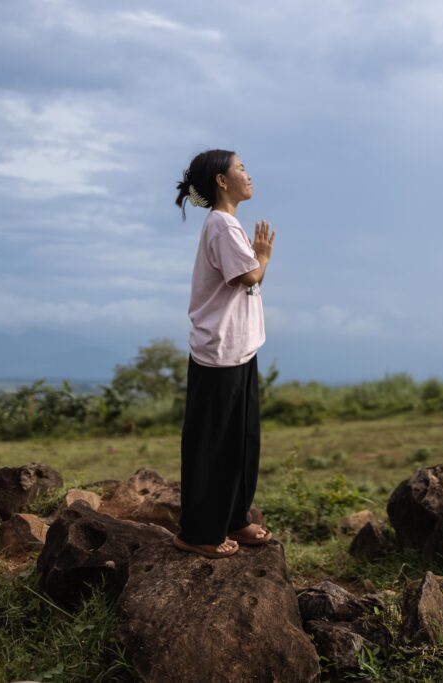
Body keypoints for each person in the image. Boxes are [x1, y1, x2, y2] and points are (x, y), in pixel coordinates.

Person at [172, 149, 275, 558]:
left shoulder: (225, 225)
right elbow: (249, 275)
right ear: (221, 180)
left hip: (239, 349)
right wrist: (263, 255)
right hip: (219, 353)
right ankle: (198, 530)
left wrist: (255, 254)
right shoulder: (221, 226)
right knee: (212, 445)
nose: (248, 174)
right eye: (242, 168)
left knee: (241, 441)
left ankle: (234, 517)